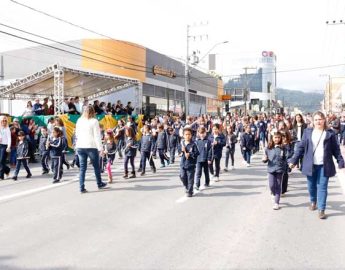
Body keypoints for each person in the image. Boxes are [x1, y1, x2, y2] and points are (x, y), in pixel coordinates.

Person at [289, 111, 345, 219]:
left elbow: (336, 149)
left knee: (322, 187)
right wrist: (293, 160)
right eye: (316, 119)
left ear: (324, 120)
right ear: (313, 121)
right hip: (311, 164)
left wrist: (340, 161)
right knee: (311, 186)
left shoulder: (330, 133)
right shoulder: (308, 132)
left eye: (320, 119)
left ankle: (321, 209)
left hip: (325, 164)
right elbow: (300, 147)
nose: (318, 121)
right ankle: (313, 201)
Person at [75, 105, 107, 193]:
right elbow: (97, 136)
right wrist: (101, 149)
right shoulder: (94, 121)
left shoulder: (79, 120)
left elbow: (76, 134)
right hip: (91, 146)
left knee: (82, 168)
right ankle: (99, 183)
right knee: (96, 166)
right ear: (93, 112)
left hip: (80, 146)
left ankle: (81, 187)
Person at [262, 131, 290, 210]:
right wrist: (264, 159)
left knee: (278, 185)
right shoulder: (268, 147)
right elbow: (265, 158)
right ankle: (273, 193)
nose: (277, 139)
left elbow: (286, 158)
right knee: (271, 185)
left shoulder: (283, 148)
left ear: (280, 138)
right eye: (275, 137)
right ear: (272, 138)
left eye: (278, 137)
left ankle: (276, 203)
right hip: (271, 169)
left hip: (280, 169)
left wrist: (287, 167)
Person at [179, 127, 199, 197]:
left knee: (190, 179)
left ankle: (190, 191)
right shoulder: (182, 143)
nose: (187, 136)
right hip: (183, 164)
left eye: (189, 134)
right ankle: (186, 186)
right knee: (182, 176)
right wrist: (181, 151)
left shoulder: (193, 144)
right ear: (183, 135)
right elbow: (179, 152)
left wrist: (190, 154)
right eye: (186, 134)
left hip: (191, 165)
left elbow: (196, 153)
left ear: (191, 135)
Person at [0, 116, 11, 180]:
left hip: (4, 146)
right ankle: (7, 170)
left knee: (1, 161)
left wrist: (8, 146)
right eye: (3, 120)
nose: (4, 122)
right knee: (1, 162)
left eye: (5, 121)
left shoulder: (7, 128)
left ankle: (1, 176)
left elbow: (9, 138)